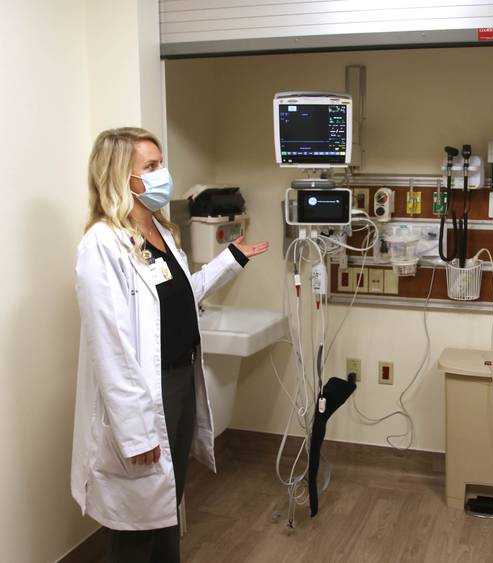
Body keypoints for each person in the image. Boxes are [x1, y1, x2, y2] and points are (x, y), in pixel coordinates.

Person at [70, 127, 268, 562]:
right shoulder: (102, 244)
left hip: (178, 383)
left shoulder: (162, 232)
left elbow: (179, 298)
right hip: (144, 393)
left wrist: (230, 261)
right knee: (137, 518)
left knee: (167, 503)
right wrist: (136, 431)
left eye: (162, 164)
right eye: (152, 167)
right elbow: (112, 348)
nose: (164, 175)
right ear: (122, 177)